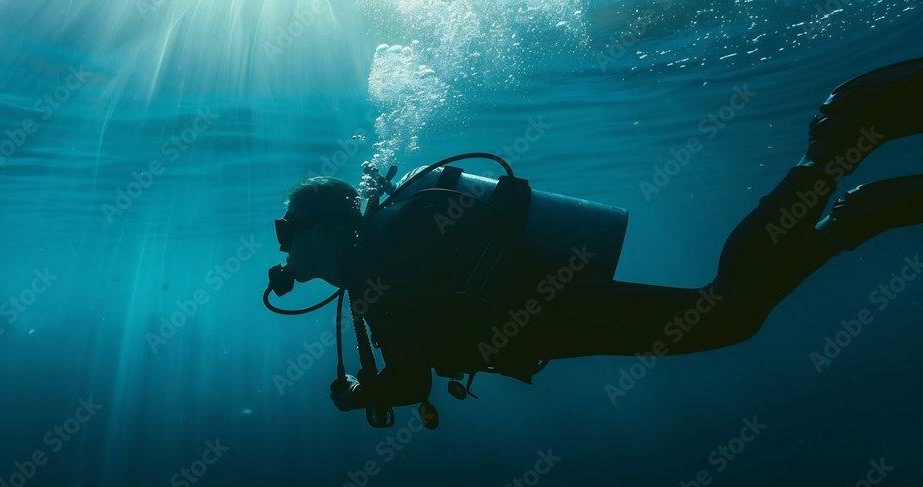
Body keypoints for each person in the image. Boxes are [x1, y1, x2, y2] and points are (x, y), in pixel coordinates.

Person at [268, 57, 923, 426]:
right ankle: (850, 212)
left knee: (724, 312)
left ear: (324, 229)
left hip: (557, 312)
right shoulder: (375, 265)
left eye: (287, 230)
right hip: (552, 313)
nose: (283, 247)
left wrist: (363, 394)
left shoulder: (382, 263)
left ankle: (834, 145)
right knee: (728, 313)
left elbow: (410, 377)